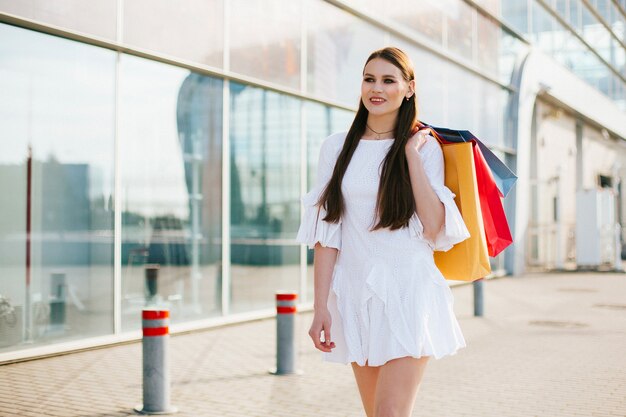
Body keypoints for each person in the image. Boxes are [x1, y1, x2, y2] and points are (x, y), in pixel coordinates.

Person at [295, 46, 471, 417]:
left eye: (388, 80)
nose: (377, 88)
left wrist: (409, 155)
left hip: (410, 292)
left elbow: (434, 226)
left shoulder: (424, 150)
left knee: (390, 413)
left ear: (409, 88)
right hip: (358, 296)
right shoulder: (335, 148)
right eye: (369, 79)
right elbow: (327, 236)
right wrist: (321, 306)